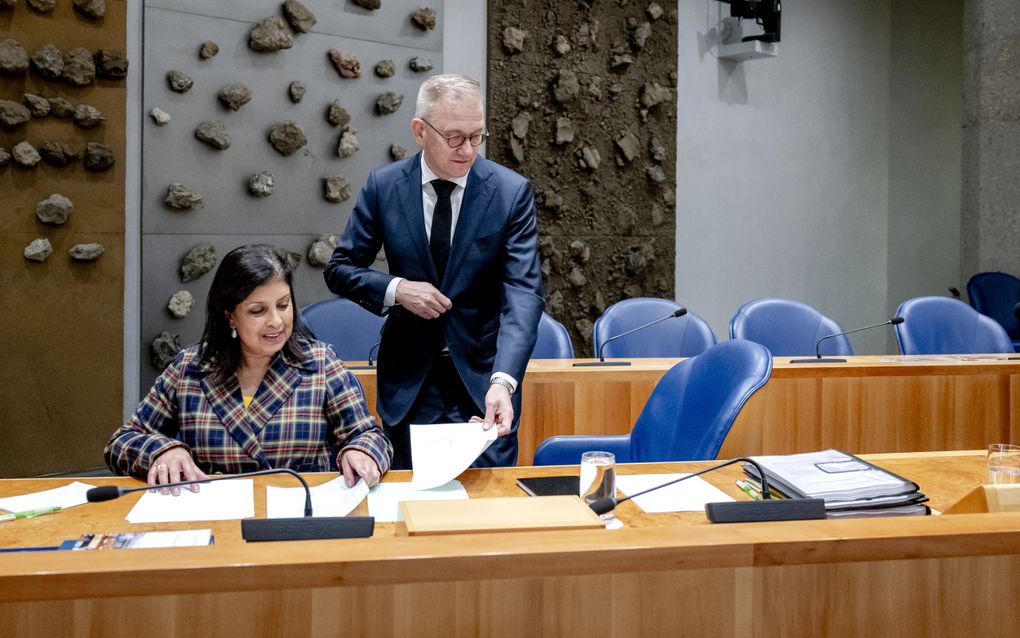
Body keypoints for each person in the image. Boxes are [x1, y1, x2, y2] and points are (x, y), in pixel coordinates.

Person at [324, 74, 543, 469]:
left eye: (477, 136)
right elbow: (340, 268)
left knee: (487, 516)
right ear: (420, 131)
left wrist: (503, 382)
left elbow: (523, 296)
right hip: (409, 385)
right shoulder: (385, 186)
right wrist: (397, 288)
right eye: (455, 137)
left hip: (484, 385)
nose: (469, 149)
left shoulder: (511, 193)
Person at [106, 244, 392, 493]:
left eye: (283, 305)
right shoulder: (190, 369)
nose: (276, 322)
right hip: (216, 521)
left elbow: (369, 435)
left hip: (300, 517)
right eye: (258, 311)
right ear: (230, 316)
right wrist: (162, 451)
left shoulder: (320, 363)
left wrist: (361, 451)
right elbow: (122, 442)